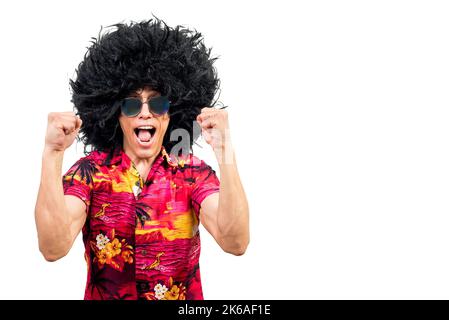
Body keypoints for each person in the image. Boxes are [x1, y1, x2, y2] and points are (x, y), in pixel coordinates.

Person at [34, 16, 249, 300]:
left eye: (158, 102)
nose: (145, 113)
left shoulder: (193, 174)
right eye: (132, 103)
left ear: (172, 112)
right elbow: (53, 247)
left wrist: (225, 153)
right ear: (116, 113)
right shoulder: (89, 172)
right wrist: (52, 154)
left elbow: (235, 242)